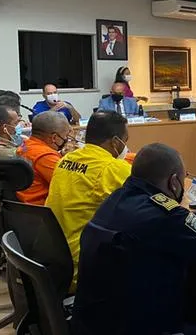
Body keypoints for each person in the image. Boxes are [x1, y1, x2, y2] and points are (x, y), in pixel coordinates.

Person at [73, 143, 196, 335]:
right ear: (174, 182)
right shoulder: (163, 214)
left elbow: (161, 228)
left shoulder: (117, 198)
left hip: (96, 323)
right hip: (141, 327)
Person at [45, 110, 132, 291]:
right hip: (85, 266)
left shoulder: (66, 159)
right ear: (116, 141)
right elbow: (149, 203)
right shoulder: (112, 168)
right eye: (126, 140)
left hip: (54, 260)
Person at [16, 112, 71, 205]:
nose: (66, 139)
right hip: (41, 208)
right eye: (65, 136)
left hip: (23, 203)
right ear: (54, 137)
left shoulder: (25, 144)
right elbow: (68, 186)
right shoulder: (45, 156)